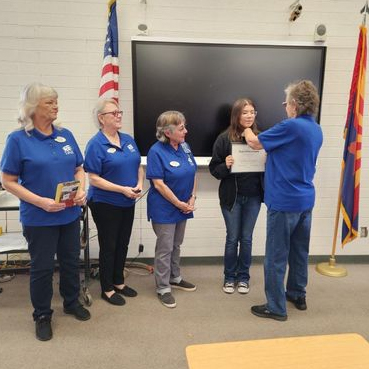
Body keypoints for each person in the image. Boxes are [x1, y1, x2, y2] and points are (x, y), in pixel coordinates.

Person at [0, 82, 90, 341]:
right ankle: (42, 314)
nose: (56, 106)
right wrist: (41, 202)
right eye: (49, 102)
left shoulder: (65, 134)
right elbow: (8, 181)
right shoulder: (18, 140)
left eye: (56, 101)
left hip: (69, 213)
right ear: (32, 107)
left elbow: (78, 168)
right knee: (42, 268)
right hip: (39, 217)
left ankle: (71, 302)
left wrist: (81, 189)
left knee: (71, 262)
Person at [245, 80, 323, 321]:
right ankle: (297, 294)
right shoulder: (315, 128)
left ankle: (276, 307)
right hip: (305, 200)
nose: (284, 107)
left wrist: (245, 126)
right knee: (299, 252)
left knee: (276, 255)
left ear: (295, 104)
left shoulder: (291, 126)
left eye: (286, 103)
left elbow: (255, 143)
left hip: (284, 201)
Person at [84, 98, 144, 306]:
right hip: (105, 202)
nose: (119, 116)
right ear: (101, 118)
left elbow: (138, 165)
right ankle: (107, 288)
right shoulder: (95, 144)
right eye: (114, 113)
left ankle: (118, 281)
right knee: (109, 245)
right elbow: (93, 178)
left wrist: (138, 184)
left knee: (123, 242)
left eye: (120, 112)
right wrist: (122, 189)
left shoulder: (128, 139)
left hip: (128, 200)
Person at [209, 98, 263, 295]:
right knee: (232, 239)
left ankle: (244, 278)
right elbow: (214, 170)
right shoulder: (224, 139)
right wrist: (226, 164)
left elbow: (270, 168)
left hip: (254, 197)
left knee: (247, 238)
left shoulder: (261, 138)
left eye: (252, 112)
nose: (249, 115)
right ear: (237, 115)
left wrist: (267, 161)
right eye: (245, 112)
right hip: (232, 198)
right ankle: (229, 278)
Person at [146, 111, 197, 308]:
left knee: (176, 244)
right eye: (181, 128)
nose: (186, 130)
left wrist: (192, 197)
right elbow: (159, 184)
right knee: (165, 248)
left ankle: (175, 277)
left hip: (184, 205)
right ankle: (163, 288)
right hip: (164, 208)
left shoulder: (184, 147)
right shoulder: (156, 151)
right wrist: (178, 203)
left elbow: (193, 172)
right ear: (168, 132)